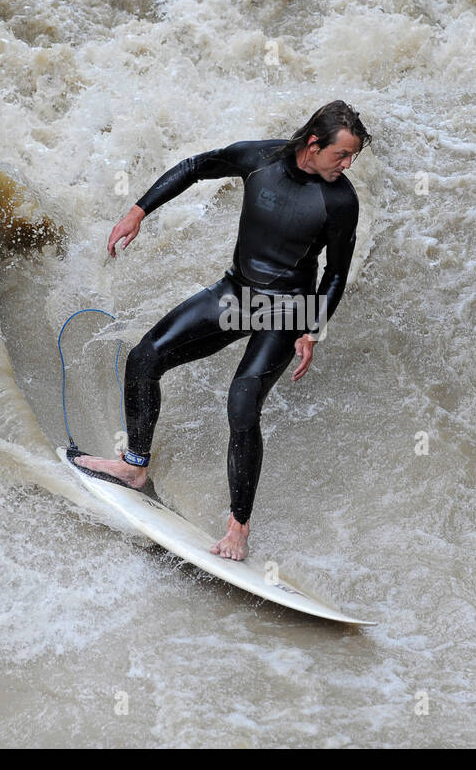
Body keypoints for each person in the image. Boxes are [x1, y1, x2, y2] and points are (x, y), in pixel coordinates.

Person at [72, 100, 371, 561]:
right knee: (144, 358)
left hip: (286, 312)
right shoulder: (260, 159)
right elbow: (196, 167)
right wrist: (138, 211)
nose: (348, 165)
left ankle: (238, 529)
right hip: (236, 294)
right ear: (314, 143)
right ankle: (134, 466)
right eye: (343, 154)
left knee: (242, 402)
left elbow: (335, 273)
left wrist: (312, 329)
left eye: (353, 157)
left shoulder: (340, 200)